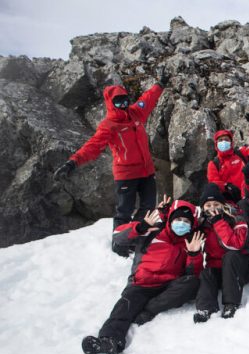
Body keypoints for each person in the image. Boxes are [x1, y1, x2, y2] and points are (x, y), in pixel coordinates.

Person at [53, 67, 170, 257]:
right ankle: (120, 244)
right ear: (111, 103)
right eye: (118, 101)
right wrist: (72, 162)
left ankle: (137, 235)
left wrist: (160, 84)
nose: (123, 104)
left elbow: (148, 100)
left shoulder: (135, 113)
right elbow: (92, 146)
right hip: (126, 175)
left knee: (148, 207)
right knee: (124, 211)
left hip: (147, 172)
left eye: (125, 99)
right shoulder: (108, 126)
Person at [81, 199, 204, 354]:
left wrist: (194, 254)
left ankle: (147, 310)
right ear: (171, 219)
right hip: (141, 284)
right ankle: (109, 340)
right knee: (124, 306)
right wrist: (139, 227)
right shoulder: (152, 231)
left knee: (192, 283)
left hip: (167, 286)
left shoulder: (190, 241)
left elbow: (192, 274)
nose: (181, 224)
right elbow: (118, 237)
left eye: (186, 221)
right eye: (178, 219)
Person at [193, 184, 249, 323]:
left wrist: (218, 223)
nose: (212, 208)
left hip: (243, 266)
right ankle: (206, 308)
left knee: (230, 256)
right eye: (208, 205)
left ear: (222, 205)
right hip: (220, 270)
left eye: (216, 204)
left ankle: (231, 303)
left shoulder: (236, 218)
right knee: (206, 272)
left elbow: (235, 245)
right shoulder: (203, 224)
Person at [207, 112, 249, 203]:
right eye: (220, 140)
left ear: (231, 142)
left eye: (226, 140)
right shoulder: (213, 164)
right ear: (216, 144)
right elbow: (213, 183)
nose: (223, 142)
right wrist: (226, 186)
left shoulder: (241, 154)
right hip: (229, 201)